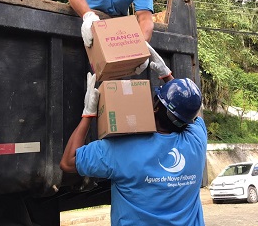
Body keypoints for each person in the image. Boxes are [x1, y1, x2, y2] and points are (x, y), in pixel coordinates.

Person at [60, 44, 208, 226]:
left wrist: (88, 112)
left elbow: (68, 162)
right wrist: (167, 76)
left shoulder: (122, 149)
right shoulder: (197, 141)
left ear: (154, 107)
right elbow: (191, 111)